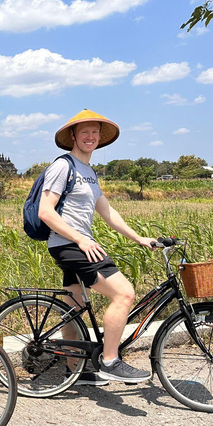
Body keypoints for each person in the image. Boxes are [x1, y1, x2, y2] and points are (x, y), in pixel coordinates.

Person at [38, 109, 155, 384]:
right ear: (73, 136)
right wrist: (80, 238)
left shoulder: (88, 172)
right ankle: (110, 361)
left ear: (100, 138)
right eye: (84, 132)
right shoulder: (62, 166)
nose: (90, 137)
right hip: (70, 245)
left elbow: (106, 211)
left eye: (94, 132)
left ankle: (74, 370)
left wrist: (139, 238)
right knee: (124, 294)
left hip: (76, 245)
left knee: (74, 304)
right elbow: (46, 211)